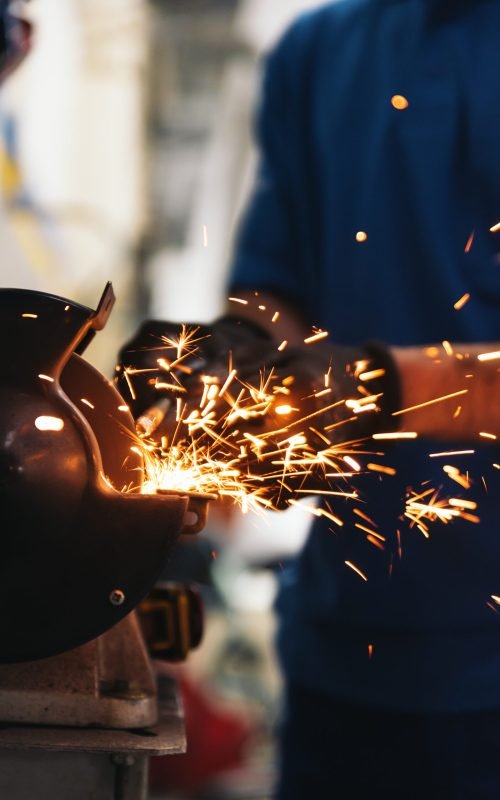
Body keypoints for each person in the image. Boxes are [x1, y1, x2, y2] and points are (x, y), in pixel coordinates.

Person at [118, 0, 500, 796]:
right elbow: (277, 287)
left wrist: (381, 390)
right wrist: (233, 352)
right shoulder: (321, 49)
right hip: (344, 643)